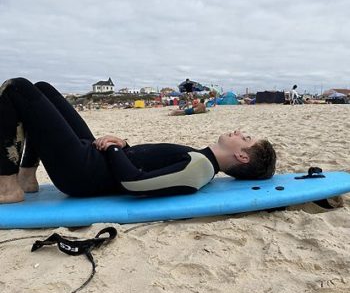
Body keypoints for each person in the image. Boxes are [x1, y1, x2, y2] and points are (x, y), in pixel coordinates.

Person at [0, 78, 277, 204]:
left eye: (247, 139)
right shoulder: (201, 159)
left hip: (83, 172)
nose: (240, 131)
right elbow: (147, 164)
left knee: (17, 89)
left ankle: (8, 186)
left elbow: (135, 183)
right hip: (93, 156)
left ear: (242, 157)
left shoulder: (200, 169)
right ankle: (26, 177)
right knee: (42, 90)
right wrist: (122, 146)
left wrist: (116, 148)